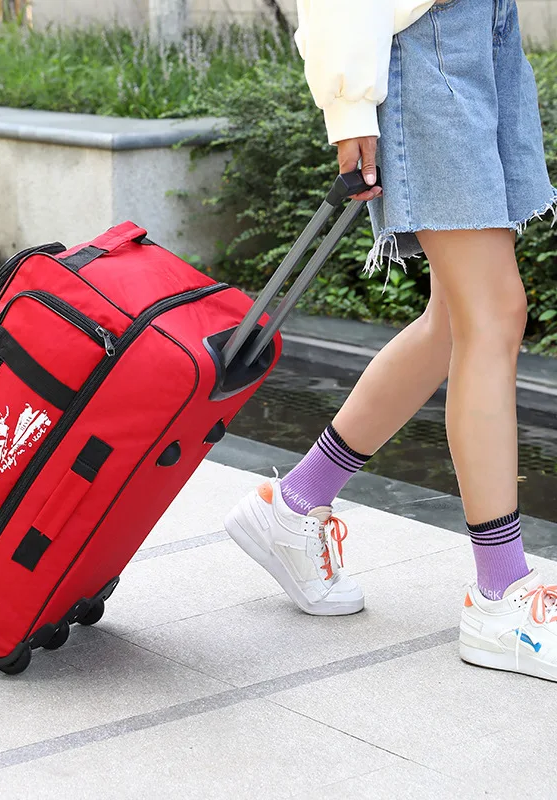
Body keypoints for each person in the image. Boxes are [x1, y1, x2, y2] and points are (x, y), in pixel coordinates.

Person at [225, 0, 557, 681]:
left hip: (481, 33)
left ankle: (293, 506)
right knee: (493, 313)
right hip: (426, 44)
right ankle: (501, 595)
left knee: (457, 319)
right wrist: (349, 108)